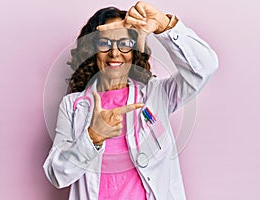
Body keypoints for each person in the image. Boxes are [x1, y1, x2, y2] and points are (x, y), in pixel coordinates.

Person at [43, 1, 218, 200]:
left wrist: (165, 26)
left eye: (124, 43)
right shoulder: (73, 106)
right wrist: (93, 137)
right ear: (92, 50)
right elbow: (56, 174)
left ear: (134, 49)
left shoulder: (156, 94)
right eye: (104, 43)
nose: (115, 53)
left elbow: (204, 67)